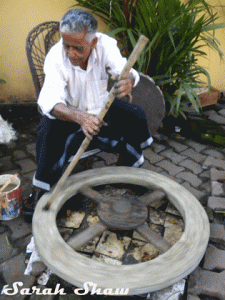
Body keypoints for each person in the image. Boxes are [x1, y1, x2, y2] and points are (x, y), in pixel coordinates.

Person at [23, 8, 152, 219]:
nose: (70, 53)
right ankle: (42, 188)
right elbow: (49, 101)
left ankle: (124, 169)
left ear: (93, 43)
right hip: (67, 113)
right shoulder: (56, 57)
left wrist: (128, 81)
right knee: (46, 132)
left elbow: (124, 70)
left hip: (101, 109)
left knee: (135, 115)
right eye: (67, 45)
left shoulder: (105, 46)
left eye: (78, 48)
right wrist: (80, 117)